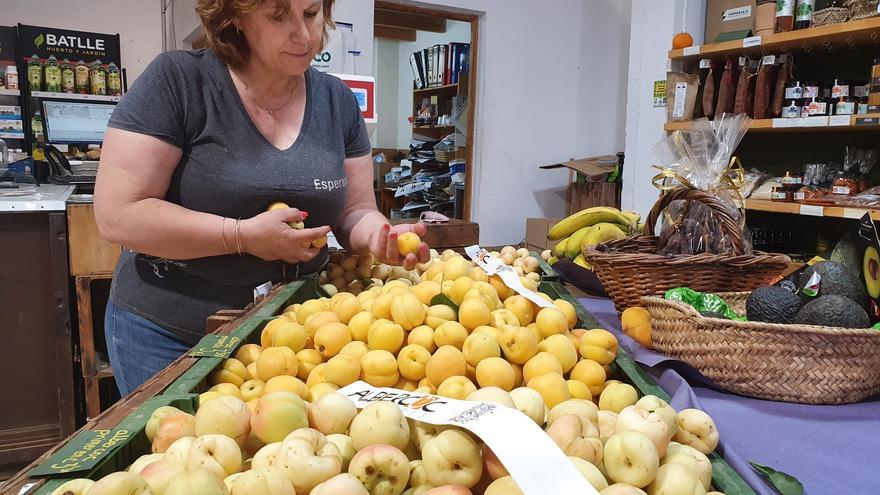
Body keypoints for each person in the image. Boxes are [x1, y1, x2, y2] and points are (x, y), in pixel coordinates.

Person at [94, 0, 429, 396]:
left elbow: (355, 209)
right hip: (170, 333)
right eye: (278, 16)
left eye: (310, 14)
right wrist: (240, 236)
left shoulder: (337, 100)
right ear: (235, 16)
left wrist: (378, 236)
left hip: (292, 333)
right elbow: (118, 214)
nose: (304, 36)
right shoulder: (179, 81)